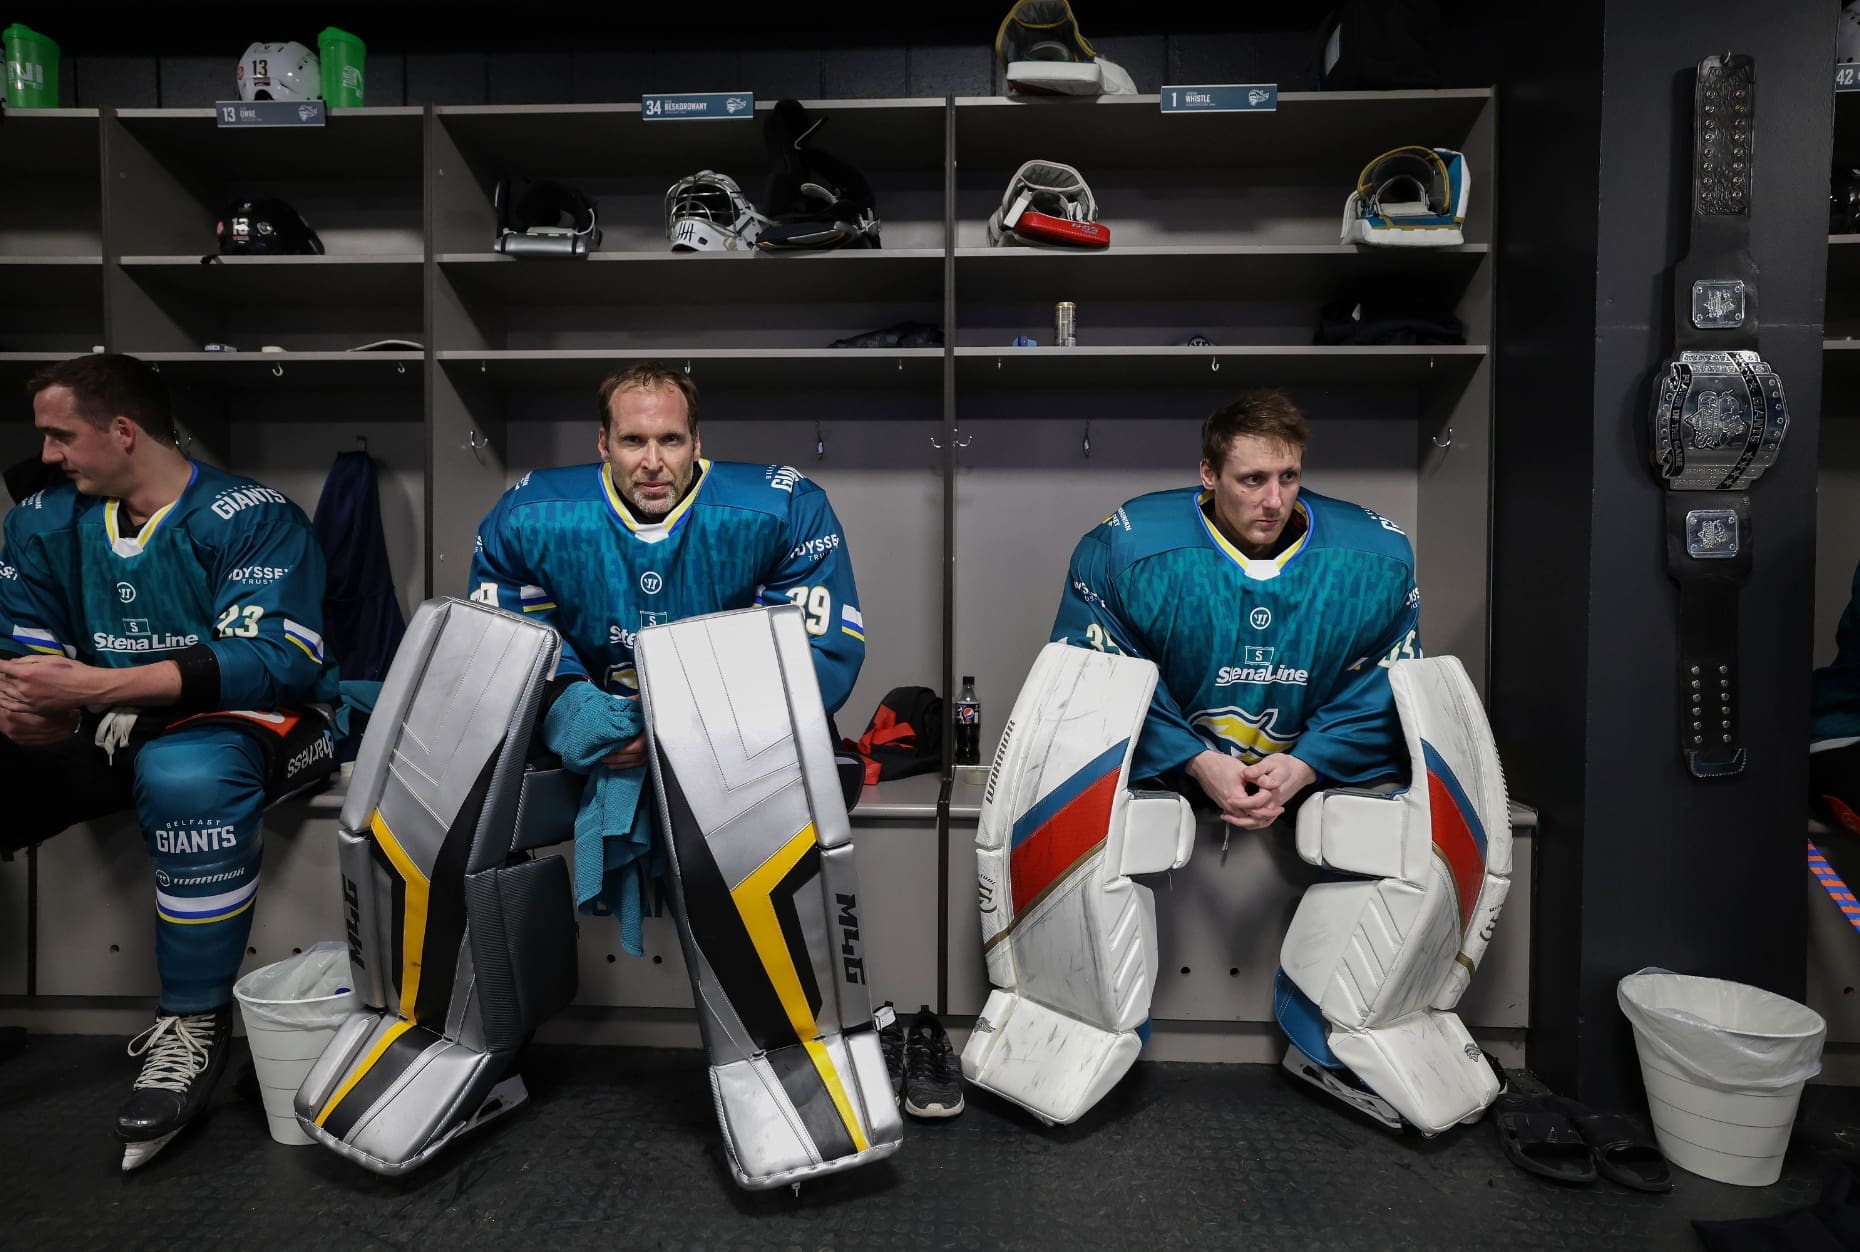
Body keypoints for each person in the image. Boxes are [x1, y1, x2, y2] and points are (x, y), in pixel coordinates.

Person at [0, 354, 341, 1168]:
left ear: (123, 431)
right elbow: (28, 650)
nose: (47, 455)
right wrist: (25, 705)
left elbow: (277, 660)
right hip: (107, 724)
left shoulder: (248, 514)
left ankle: (192, 1021)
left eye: (61, 435)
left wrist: (93, 685)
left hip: (261, 723)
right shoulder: (45, 520)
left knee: (185, 775)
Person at [1050, 388, 1420, 829]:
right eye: (1253, 479)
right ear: (1209, 473)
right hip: (1164, 795)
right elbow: (1097, 676)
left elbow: (1385, 686)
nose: (1275, 501)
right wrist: (1195, 760)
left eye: (1289, 477)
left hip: (1312, 799)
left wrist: (1305, 764)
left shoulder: (1374, 559)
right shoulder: (1130, 549)